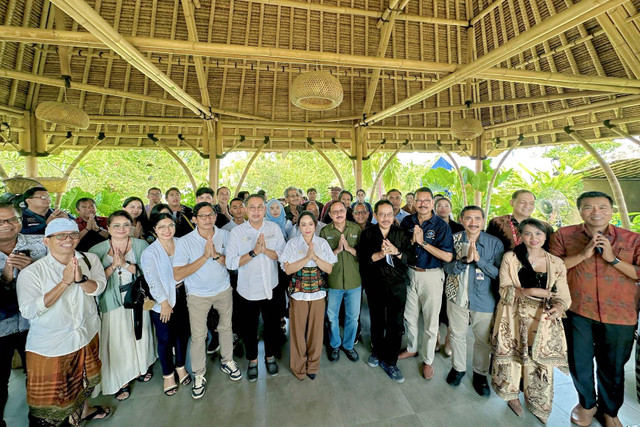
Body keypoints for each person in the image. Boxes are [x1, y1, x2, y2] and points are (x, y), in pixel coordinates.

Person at [549, 191, 640, 427]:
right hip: (578, 310)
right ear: (580, 211)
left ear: (612, 211)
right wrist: (582, 254)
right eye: (589, 207)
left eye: (602, 207)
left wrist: (613, 258)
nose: (596, 212)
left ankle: (610, 411)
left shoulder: (632, 239)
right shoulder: (564, 235)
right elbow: (551, 269)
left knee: (614, 365)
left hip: (621, 313)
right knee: (579, 361)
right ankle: (586, 404)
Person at [17, 218, 109, 425]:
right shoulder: (32, 272)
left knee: (84, 384)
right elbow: (29, 310)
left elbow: (98, 288)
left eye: (73, 235)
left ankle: (82, 413)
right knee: (48, 404)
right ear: (46, 241)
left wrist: (81, 280)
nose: (68, 239)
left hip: (86, 333)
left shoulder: (89, 259)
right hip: (52, 346)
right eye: (61, 235)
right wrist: (64, 283)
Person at [492, 218, 571, 424]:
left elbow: (563, 296)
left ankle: (537, 403)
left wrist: (559, 307)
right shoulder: (511, 257)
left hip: (542, 319)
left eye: (538, 234)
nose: (533, 238)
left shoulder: (556, 263)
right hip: (513, 316)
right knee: (513, 358)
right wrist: (529, 291)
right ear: (520, 235)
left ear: (546, 236)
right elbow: (504, 289)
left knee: (539, 364)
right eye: (528, 233)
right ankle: (512, 397)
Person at [173, 202, 242, 399]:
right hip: (197, 294)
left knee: (226, 327)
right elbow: (178, 274)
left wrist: (216, 256)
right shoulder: (185, 242)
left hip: (223, 290)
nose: (207, 219)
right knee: (198, 336)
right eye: (202, 216)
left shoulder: (225, 235)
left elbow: (232, 263)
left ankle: (227, 361)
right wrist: (204, 257)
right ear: (194, 219)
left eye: (210, 215)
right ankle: (199, 374)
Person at [89, 211, 155, 401]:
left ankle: (141, 368)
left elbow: (149, 272)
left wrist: (125, 264)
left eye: (126, 225)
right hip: (111, 298)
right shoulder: (97, 250)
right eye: (116, 225)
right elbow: (94, 281)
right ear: (108, 228)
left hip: (137, 297)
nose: (121, 229)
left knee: (139, 334)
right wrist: (111, 267)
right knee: (118, 339)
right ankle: (122, 379)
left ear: (131, 227)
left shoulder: (141, 245)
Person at [442, 206, 504, 397]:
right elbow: (447, 267)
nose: (473, 223)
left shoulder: (494, 243)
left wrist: (480, 261)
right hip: (456, 297)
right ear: (461, 220)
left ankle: (480, 374)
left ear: (483, 221)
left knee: (482, 340)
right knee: (457, 335)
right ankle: (458, 368)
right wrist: (465, 261)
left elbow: (500, 274)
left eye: (477, 218)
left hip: (484, 300)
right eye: (468, 218)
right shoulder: (453, 239)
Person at [226, 195, 286, 381]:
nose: (256, 211)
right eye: (252, 207)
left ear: (265, 209)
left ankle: (269, 357)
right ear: (245, 210)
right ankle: (252, 360)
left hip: (271, 286)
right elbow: (231, 263)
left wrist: (265, 250)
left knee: (272, 326)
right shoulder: (237, 232)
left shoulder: (273, 228)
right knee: (249, 328)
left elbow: (284, 256)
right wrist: (253, 252)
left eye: (260, 207)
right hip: (247, 290)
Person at [399, 187, 454, 381]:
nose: (422, 204)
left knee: (431, 320)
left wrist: (422, 243)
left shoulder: (440, 226)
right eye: (418, 200)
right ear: (413, 202)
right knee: (410, 315)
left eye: (426, 200)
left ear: (432, 202)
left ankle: (428, 359)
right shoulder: (407, 221)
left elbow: (447, 256)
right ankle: (412, 348)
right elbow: (402, 246)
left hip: (431, 275)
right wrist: (411, 242)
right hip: (410, 273)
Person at [0, 203, 47, 427]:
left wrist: (34, 268)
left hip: (36, 324)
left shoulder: (42, 244)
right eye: (1, 221)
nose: (8, 225)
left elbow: (61, 279)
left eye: (12, 219)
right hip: (1, 328)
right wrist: (6, 278)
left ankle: (40, 422)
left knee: (40, 378)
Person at [357, 200, 413, 383]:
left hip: (397, 285)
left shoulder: (402, 234)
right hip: (375, 284)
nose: (386, 218)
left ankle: (391, 361)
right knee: (377, 321)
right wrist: (380, 255)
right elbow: (364, 259)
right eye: (382, 214)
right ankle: (377, 352)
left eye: (389, 214)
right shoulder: (367, 234)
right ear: (375, 215)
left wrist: (396, 252)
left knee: (395, 324)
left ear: (394, 215)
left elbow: (409, 258)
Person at [280, 211, 336, 380]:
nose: (307, 228)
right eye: (303, 224)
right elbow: (288, 269)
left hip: (318, 293)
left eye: (310, 224)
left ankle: (313, 365)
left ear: (315, 225)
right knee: (297, 331)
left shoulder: (322, 243)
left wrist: (315, 258)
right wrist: (306, 258)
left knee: (316, 331)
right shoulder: (292, 244)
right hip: (298, 293)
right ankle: (298, 366)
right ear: (299, 227)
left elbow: (329, 269)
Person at [140, 213, 191, 397]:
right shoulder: (150, 252)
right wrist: (164, 303)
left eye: (170, 225)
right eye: (161, 227)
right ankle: (168, 374)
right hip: (163, 301)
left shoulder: (182, 243)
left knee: (182, 334)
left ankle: (181, 367)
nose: (167, 230)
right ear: (154, 230)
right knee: (165, 338)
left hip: (184, 295)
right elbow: (152, 279)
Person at [320, 200, 362, 362]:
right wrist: (337, 250)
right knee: (332, 316)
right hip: (334, 282)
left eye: (341, 210)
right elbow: (322, 259)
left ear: (346, 211)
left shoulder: (355, 229)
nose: (338, 214)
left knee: (353, 317)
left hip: (354, 281)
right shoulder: (325, 232)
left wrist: (350, 249)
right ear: (330, 215)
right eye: (334, 211)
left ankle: (349, 345)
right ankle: (335, 345)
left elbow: (364, 254)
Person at [434, 196, 464, 357]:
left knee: (452, 306)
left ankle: (449, 340)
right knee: (436, 306)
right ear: (435, 208)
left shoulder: (458, 227)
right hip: (436, 269)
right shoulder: (430, 225)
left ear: (450, 209)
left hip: (454, 271)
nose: (443, 208)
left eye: (446, 205)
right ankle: (436, 337)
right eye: (439, 205)